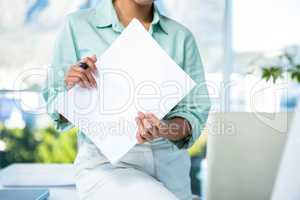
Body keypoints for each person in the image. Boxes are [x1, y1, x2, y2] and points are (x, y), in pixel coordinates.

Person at [43, 0, 211, 199]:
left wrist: (163, 129)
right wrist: (72, 90)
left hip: (171, 171)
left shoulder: (181, 37)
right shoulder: (78, 26)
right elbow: (55, 104)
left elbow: (193, 115)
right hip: (108, 167)